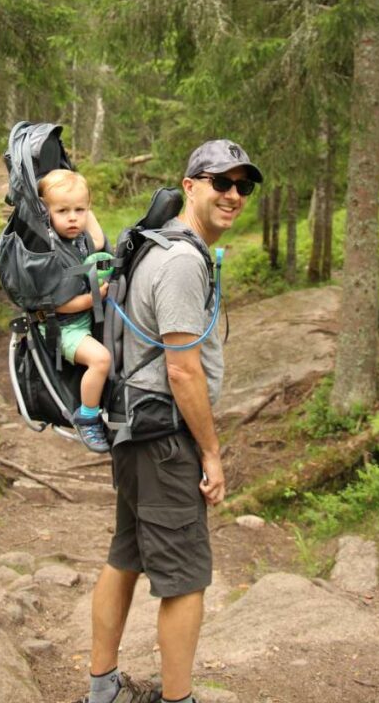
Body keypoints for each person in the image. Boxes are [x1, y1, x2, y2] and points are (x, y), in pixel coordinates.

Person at [72, 140, 262, 703]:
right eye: (220, 182)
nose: (232, 195)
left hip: (134, 434)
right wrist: (210, 452)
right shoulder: (181, 260)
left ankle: (102, 688)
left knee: (125, 554)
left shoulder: (158, 247)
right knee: (185, 578)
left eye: (242, 186)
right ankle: (178, 698)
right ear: (190, 185)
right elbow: (183, 372)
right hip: (165, 441)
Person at [38, 169, 112, 454]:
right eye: (63, 211)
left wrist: (84, 202)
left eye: (79, 210)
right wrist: (95, 296)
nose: (73, 218)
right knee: (101, 360)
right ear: (46, 213)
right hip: (62, 327)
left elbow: (98, 239)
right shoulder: (50, 251)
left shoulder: (79, 240)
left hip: (82, 321)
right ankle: (88, 416)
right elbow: (56, 304)